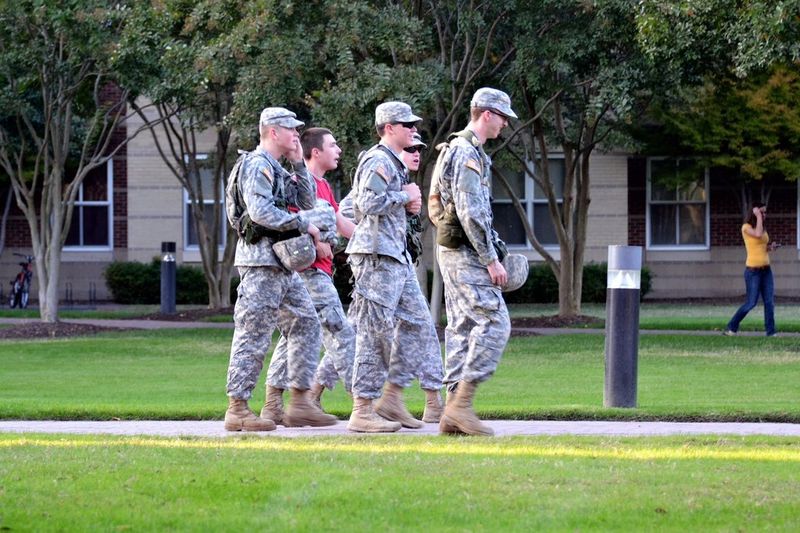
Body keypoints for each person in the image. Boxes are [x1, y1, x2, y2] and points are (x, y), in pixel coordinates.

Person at [224, 107, 337, 431]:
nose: (296, 136)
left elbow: (304, 200)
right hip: (260, 263)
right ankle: (238, 409)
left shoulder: (277, 166)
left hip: (282, 263)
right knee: (253, 335)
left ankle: (299, 402)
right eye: (291, 131)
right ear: (273, 132)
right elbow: (260, 212)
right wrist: (306, 225)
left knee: (306, 322)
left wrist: (300, 162)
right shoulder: (257, 165)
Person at [433, 87, 517, 436]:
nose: (504, 125)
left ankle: (451, 415)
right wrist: (490, 259)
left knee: (463, 326)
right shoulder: (466, 152)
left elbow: (437, 202)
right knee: (495, 321)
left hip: (452, 248)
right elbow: (470, 211)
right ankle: (461, 405)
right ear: (486, 114)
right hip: (465, 251)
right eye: (502, 118)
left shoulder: (462, 149)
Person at [345, 101, 430, 433]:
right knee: (374, 333)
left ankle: (392, 397)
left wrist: (407, 204)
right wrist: (403, 196)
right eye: (406, 124)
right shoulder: (379, 160)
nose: (412, 128)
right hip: (377, 258)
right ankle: (363, 409)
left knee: (418, 325)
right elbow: (364, 203)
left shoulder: (395, 164)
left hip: (397, 257)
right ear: (389, 128)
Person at [264, 127, 357, 423]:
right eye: (333, 145)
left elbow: (342, 224)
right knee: (340, 330)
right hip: (308, 272)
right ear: (315, 151)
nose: (339, 149)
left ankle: (273, 403)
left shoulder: (324, 186)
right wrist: (317, 243)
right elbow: (291, 223)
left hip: (321, 271)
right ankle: (364, 404)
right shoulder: (301, 184)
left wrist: (375, 246)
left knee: (295, 335)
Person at [400, 133, 445, 423]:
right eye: (410, 149)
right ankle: (311, 395)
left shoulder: (408, 183)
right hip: (376, 272)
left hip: (400, 268)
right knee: (355, 336)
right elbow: (352, 211)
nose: (417, 154)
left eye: (419, 149)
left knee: (422, 327)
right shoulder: (383, 172)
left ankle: (433, 401)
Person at [724, 202, 778, 337]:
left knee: (769, 302)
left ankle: (771, 332)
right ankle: (731, 327)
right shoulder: (746, 227)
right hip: (753, 272)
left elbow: (761, 247)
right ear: (754, 213)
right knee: (751, 303)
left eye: (765, 212)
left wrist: (770, 247)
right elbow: (758, 235)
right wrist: (758, 215)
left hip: (766, 270)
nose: (764, 215)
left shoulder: (762, 227)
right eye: (762, 212)